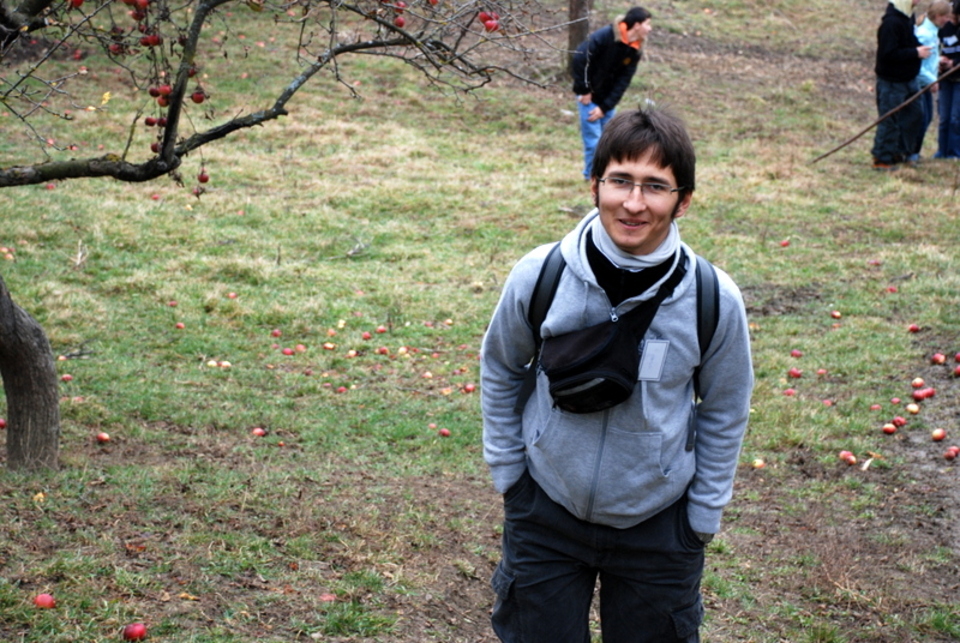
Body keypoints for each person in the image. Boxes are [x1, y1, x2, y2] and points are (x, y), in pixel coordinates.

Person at [480, 108, 754, 643]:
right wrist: (511, 474)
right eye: (620, 181)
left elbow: (725, 407)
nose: (633, 203)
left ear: (683, 200)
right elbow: (501, 367)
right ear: (595, 185)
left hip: (660, 528)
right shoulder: (541, 275)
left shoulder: (713, 299)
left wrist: (701, 516)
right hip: (545, 513)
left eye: (655, 186)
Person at [570, 7, 652, 181]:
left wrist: (605, 107)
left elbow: (623, 81)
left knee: (610, 142)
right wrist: (584, 90)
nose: (650, 29)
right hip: (588, 98)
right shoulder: (605, 36)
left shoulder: (635, 49)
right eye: (647, 24)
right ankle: (592, 177)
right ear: (637, 25)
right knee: (594, 142)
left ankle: (606, 177)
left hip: (607, 102)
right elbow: (579, 58)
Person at [872, 0, 933, 170]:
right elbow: (888, 53)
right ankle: (882, 159)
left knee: (914, 116)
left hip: (909, 79)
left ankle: (899, 153)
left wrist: (919, 47)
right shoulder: (891, 23)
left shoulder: (907, 17)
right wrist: (915, 52)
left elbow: (908, 41)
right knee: (889, 121)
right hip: (891, 82)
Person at [913, 1, 953, 160]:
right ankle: (911, 153)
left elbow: (928, 60)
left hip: (925, 83)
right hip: (920, 84)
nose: (948, 20)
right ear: (937, 16)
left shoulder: (933, 32)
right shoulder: (925, 35)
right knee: (920, 119)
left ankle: (914, 152)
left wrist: (938, 61)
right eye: (946, 16)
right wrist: (932, 80)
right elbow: (917, 65)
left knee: (926, 118)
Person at [937, 2, 960, 157]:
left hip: (958, 79)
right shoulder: (944, 28)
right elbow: (936, 46)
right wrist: (939, 61)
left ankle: (954, 152)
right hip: (944, 77)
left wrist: (954, 63)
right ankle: (942, 150)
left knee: (955, 118)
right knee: (944, 117)